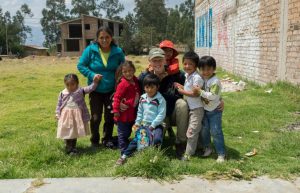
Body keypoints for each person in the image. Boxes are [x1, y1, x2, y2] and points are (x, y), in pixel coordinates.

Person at [77, 26, 125, 148]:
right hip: (95, 90)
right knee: (95, 117)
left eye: (107, 37)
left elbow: (123, 69)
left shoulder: (118, 51)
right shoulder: (90, 50)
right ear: (97, 39)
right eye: (101, 37)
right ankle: (94, 140)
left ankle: (107, 139)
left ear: (111, 38)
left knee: (109, 116)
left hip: (112, 90)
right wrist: (92, 75)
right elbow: (81, 65)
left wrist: (120, 83)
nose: (104, 40)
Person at [138, 48, 188, 158]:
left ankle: (181, 143)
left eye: (160, 60)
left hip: (174, 112)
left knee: (182, 104)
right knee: (155, 147)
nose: (157, 63)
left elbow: (195, 81)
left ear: (165, 60)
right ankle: (155, 140)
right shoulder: (144, 77)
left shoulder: (177, 75)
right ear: (149, 62)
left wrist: (217, 99)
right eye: (154, 61)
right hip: (157, 116)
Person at [116, 73, 166, 165]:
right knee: (138, 140)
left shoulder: (160, 99)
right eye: (147, 87)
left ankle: (155, 155)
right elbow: (140, 112)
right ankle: (124, 156)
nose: (149, 90)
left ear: (157, 87)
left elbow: (161, 115)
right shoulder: (142, 98)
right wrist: (137, 123)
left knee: (157, 139)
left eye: (152, 87)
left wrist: (153, 125)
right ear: (144, 87)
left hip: (157, 125)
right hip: (144, 125)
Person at [55, 73, 101, 155]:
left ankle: (73, 147)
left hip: (76, 116)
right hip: (65, 116)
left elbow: (91, 88)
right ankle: (68, 147)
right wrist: (57, 113)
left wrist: (95, 82)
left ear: (77, 83)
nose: (70, 87)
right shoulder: (62, 93)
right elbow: (59, 104)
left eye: (72, 84)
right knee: (67, 130)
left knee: (74, 131)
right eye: (67, 85)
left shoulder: (80, 91)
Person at [174, 51, 204, 161]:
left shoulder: (197, 78)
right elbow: (189, 88)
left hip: (197, 109)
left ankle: (188, 154)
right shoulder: (188, 75)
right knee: (194, 130)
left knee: (191, 132)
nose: (187, 66)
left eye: (190, 64)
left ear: (196, 65)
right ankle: (201, 147)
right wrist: (181, 86)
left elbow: (195, 93)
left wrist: (181, 92)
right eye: (185, 63)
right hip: (191, 108)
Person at [198, 56, 226, 163]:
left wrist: (200, 92)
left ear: (213, 69)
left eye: (208, 69)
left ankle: (221, 153)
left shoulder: (215, 81)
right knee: (204, 131)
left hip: (215, 111)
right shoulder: (202, 78)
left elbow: (213, 95)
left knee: (215, 131)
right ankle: (207, 148)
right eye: (203, 69)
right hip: (204, 110)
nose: (205, 72)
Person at [113, 61, 141, 155]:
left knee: (131, 131)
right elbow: (117, 97)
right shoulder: (122, 84)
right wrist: (116, 110)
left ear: (134, 70)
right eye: (125, 72)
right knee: (123, 134)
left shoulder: (135, 80)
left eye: (130, 71)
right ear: (122, 73)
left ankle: (135, 147)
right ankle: (123, 151)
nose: (128, 73)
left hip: (132, 113)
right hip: (123, 115)